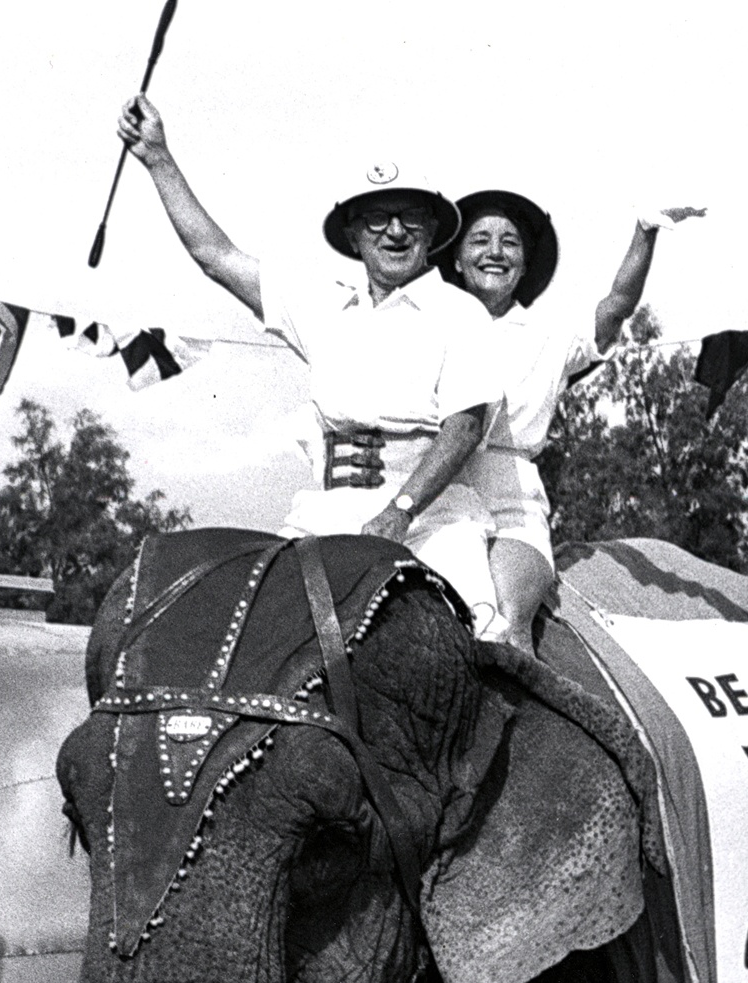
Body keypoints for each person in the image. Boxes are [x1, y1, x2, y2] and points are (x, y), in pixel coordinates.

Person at [115, 95, 500, 624]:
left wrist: (400, 512)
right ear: (352, 235)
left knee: (478, 630)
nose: (394, 231)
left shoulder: (461, 313)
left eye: (411, 217)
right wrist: (158, 158)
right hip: (329, 513)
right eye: (377, 218)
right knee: (259, 627)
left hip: (434, 521)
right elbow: (216, 257)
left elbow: (464, 428)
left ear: (432, 231)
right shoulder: (323, 305)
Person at [438, 189, 699, 648]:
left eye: (509, 243)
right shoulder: (431, 327)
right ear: (457, 260)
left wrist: (645, 232)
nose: (495, 252)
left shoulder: (549, 332)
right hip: (439, 490)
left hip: (511, 503)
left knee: (504, 620)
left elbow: (616, 306)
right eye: (479, 240)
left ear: (524, 265)